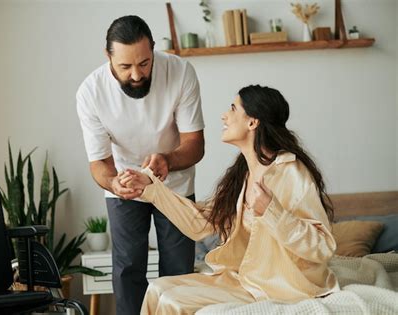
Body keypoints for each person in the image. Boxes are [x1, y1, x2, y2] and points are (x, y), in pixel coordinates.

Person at [120, 85, 340, 314]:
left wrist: (272, 212)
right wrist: (152, 189)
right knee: (157, 287)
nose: (225, 115)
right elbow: (201, 223)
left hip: (280, 288)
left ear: (252, 122)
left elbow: (323, 246)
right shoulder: (243, 173)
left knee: (172, 302)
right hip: (243, 279)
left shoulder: (291, 173)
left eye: (233, 108)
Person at [75, 15, 205, 315]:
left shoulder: (180, 71)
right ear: (108, 56)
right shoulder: (90, 92)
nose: (136, 74)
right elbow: (99, 164)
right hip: (124, 186)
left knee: (178, 271)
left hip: (175, 183)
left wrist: (167, 160)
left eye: (144, 63)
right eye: (125, 66)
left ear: (153, 50)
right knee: (127, 270)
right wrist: (114, 183)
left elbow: (195, 145)